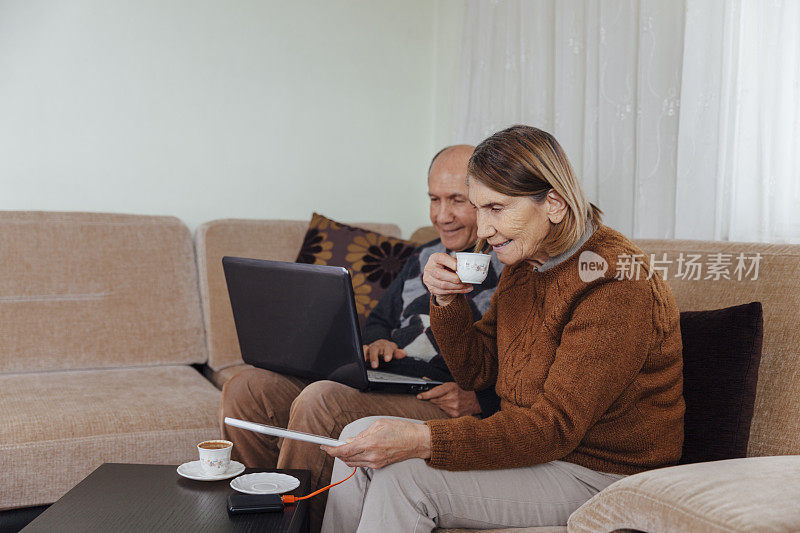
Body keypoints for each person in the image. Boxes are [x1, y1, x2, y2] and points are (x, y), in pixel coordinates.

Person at [320, 125, 685, 532]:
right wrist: (446, 300)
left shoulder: (614, 281)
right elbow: (476, 371)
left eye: (497, 208)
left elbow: (553, 428)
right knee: (356, 435)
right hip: (538, 454)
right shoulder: (526, 263)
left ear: (554, 203)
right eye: (479, 208)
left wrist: (420, 439)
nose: (484, 228)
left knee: (403, 479)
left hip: (601, 473)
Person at [220, 145, 504, 533]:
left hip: (436, 395)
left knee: (321, 400)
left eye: (457, 200)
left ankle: (294, 527)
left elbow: (528, 363)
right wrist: (374, 342)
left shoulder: (510, 267)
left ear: (488, 202)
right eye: (434, 200)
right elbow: (378, 321)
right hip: (384, 376)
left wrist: (481, 398)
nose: (442, 216)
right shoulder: (423, 257)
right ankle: (256, 520)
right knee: (248, 389)